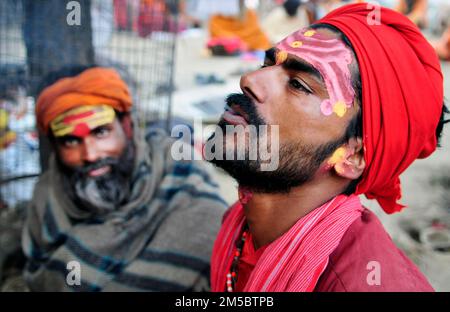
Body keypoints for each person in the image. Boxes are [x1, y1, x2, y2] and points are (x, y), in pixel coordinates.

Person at [206, 3, 448, 291]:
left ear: (353, 155)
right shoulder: (239, 227)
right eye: (268, 65)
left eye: (298, 85)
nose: (249, 80)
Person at [22, 66, 227, 291]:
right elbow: (40, 273)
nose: (90, 155)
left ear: (127, 126)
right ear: (55, 147)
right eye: (70, 141)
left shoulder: (179, 173)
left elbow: (210, 230)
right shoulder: (48, 194)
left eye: (101, 132)